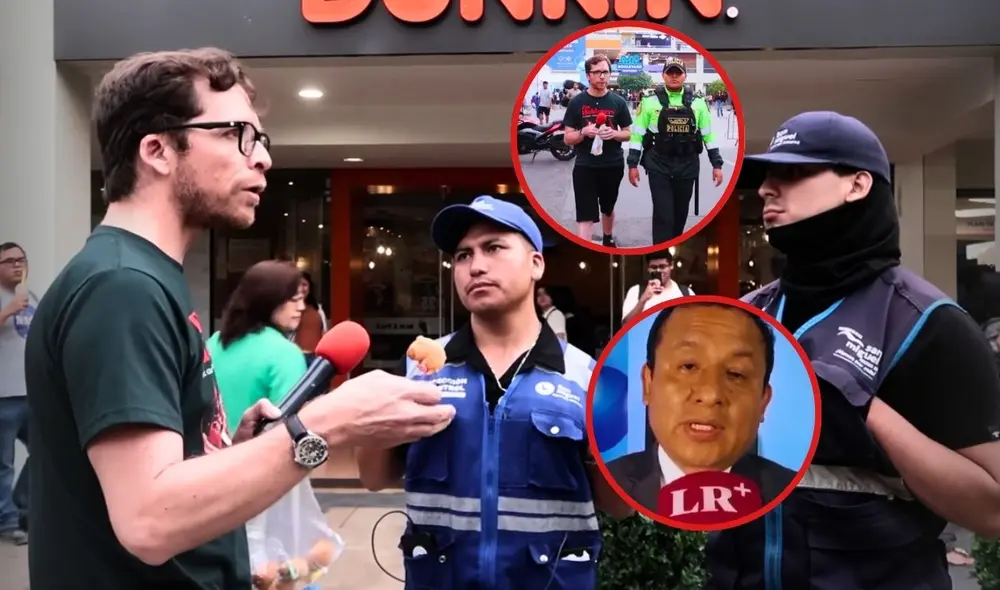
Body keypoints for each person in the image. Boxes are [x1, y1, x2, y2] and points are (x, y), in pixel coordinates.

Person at [24, 47, 455, 589]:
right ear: (157, 149)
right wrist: (325, 424)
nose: (262, 159)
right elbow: (149, 520)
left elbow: (161, 480)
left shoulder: (142, 276)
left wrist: (241, 451)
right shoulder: (121, 287)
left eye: (261, 140)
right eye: (236, 135)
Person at [707, 111, 1000, 589]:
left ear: (858, 185)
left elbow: (992, 511)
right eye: (766, 176)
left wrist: (864, 409)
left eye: (794, 172)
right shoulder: (744, 317)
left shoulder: (929, 324)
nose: (765, 188)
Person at [356, 196, 634, 590]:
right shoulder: (419, 372)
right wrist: (369, 421)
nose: (477, 266)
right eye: (464, 255)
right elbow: (373, 477)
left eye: (494, 248)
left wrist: (613, 443)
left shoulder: (588, 379)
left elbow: (620, 506)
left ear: (537, 263)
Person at [606, 302, 795, 512]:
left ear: (763, 401)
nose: (710, 394)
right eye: (688, 366)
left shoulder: (791, 495)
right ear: (648, 384)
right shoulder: (607, 486)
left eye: (735, 373)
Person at [627, 58, 725, 244]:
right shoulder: (649, 102)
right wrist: (632, 164)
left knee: (680, 216)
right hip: (658, 165)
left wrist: (717, 164)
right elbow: (637, 135)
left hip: (687, 166)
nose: (674, 76)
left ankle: (673, 248)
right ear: (663, 75)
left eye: (677, 72)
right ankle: (660, 251)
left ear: (684, 76)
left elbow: (708, 136)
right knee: (664, 215)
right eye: (670, 72)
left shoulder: (698, 103)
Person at [207, 260, 308, 433]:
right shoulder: (285, 353)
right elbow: (291, 428)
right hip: (258, 456)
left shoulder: (212, 343)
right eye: (294, 300)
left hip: (206, 455)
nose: (301, 307)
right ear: (268, 300)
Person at [562, 55, 633, 247]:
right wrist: (583, 132)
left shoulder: (618, 102)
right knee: (585, 213)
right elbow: (567, 137)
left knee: (608, 207)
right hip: (585, 165)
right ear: (588, 76)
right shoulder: (577, 103)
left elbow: (629, 133)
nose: (602, 76)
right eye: (597, 72)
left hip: (613, 164)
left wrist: (614, 134)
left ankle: (607, 237)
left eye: (605, 72)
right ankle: (586, 248)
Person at [0, 242, 35, 545]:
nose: (17, 265)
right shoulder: (6, 300)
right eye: (9, 261)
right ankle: (9, 522)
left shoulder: (31, 297)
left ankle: (21, 507)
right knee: (4, 464)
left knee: (47, 451)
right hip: (2, 397)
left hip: (31, 394)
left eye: (21, 260)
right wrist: (7, 310)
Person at [621, 252, 692, 327]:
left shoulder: (686, 293)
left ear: (671, 265)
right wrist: (643, 300)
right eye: (653, 267)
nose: (658, 270)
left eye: (662, 266)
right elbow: (625, 325)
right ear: (648, 268)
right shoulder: (636, 291)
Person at [293, 271, 326, 356]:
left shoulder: (318, 309)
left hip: (316, 356)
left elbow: (324, 332)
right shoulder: (288, 310)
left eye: (304, 285)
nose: (300, 289)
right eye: (297, 285)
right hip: (296, 356)